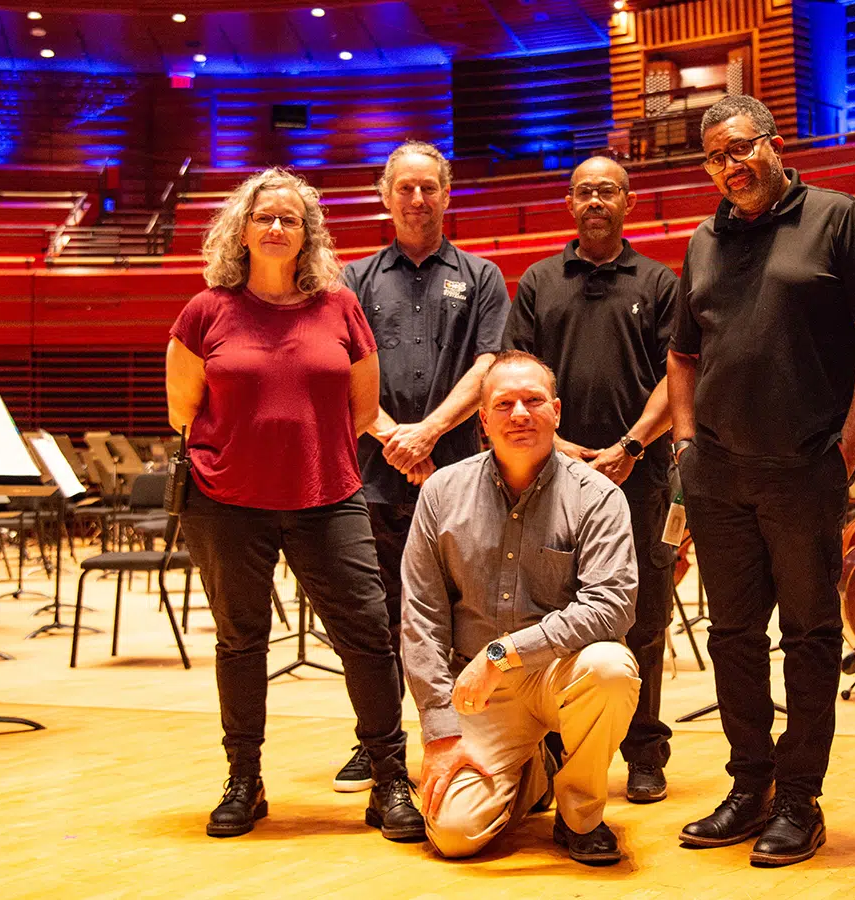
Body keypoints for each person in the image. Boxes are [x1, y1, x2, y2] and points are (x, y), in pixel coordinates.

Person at [166, 167, 423, 842]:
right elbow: (181, 410)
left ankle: (390, 778)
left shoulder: (339, 305)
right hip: (227, 501)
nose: (276, 227)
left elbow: (364, 407)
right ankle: (244, 781)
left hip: (327, 495)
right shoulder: (205, 310)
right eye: (264, 217)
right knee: (240, 640)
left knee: (367, 636)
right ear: (240, 230)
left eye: (290, 219)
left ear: (308, 234)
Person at [667, 95, 855, 866]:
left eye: (740, 151)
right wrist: (687, 442)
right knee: (732, 637)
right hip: (718, 475)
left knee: (810, 637)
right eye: (715, 159)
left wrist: (847, 446)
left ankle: (800, 799)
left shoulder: (837, 218)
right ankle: (748, 784)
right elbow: (684, 354)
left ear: (774, 144)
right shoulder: (702, 241)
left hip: (803, 470)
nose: (730, 169)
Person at [400, 350, 641, 865]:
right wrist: (440, 731)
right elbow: (421, 614)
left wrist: (504, 652)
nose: (519, 414)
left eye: (533, 401)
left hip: (559, 671)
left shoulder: (597, 496)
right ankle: (533, 771)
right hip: (478, 691)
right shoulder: (442, 492)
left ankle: (581, 817)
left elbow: (612, 605)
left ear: (556, 411)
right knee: (455, 836)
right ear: (482, 419)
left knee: (612, 669)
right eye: (503, 404)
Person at [332, 141, 509, 794]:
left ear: (446, 192)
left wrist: (430, 433)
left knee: (465, 619)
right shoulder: (352, 279)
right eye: (404, 187)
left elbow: (489, 363)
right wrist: (391, 438)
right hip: (373, 478)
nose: (416, 198)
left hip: (458, 475)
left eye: (428, 187)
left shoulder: (482, 275)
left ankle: (469, 734)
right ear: (385, 196)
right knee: (375, 623)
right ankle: (376, 744)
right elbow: (336, 366)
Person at [503, 155, 679, 803]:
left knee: (646, 616)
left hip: (641, 475)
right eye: (584, 192)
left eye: (607, 190)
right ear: (568, 204)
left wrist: (632, 444)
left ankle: (644, 750)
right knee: (555, 612)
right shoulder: (539, 281)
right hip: (555, 480)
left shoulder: (659, 282)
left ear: (628, 201)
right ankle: (555, 749)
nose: (596, 201)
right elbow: (517, 373)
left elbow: (678, 375)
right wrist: (561, 448)